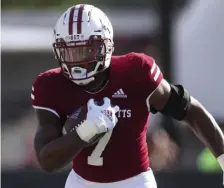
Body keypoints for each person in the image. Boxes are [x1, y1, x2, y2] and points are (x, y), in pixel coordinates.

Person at [31, 4, 224, 188]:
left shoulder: (136, 73)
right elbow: (47, 161)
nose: (78, 62)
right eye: (71, 52)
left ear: (105, 46)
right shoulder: (51, 85)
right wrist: (86, 131)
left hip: (135, 182)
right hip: (81, 183)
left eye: (86, 50)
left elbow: (191, 110)